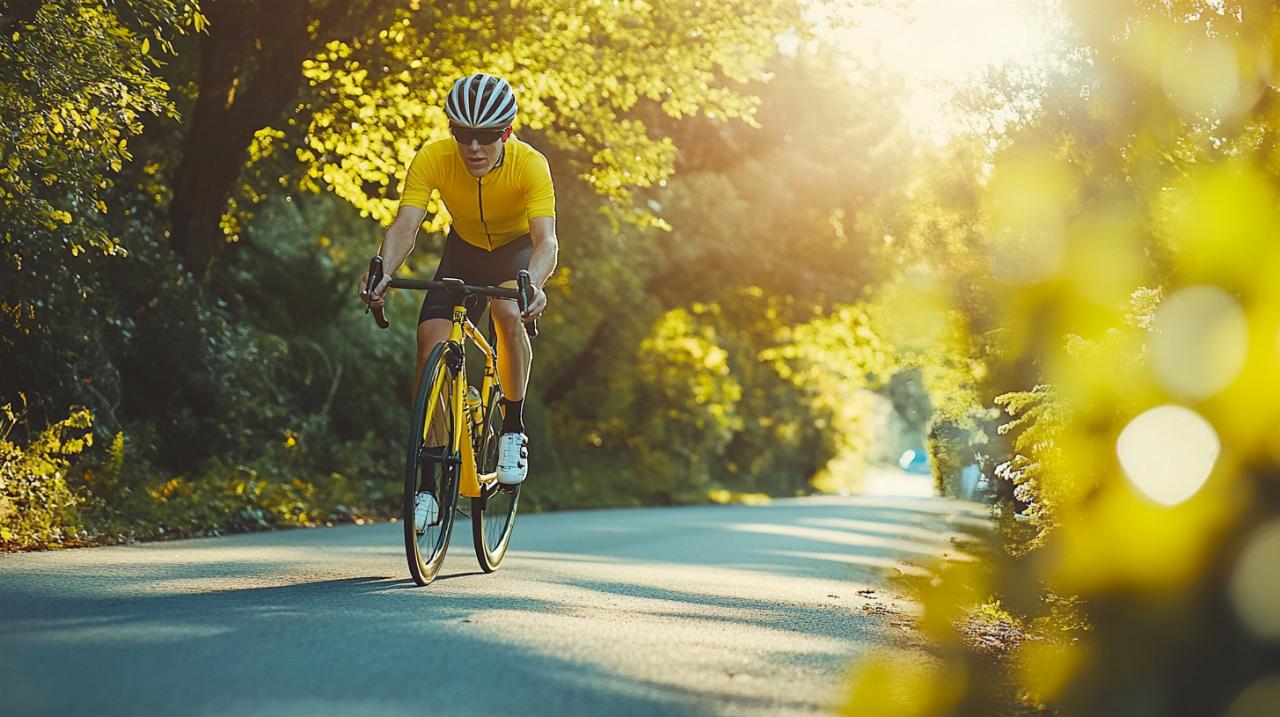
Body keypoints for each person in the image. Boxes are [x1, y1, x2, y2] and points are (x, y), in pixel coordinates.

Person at [360, 73, 558, 531]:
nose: (473, 147)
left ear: (505, 133)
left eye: (486, 137)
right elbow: (405, 225)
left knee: (507, 310)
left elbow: (546, 240)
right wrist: (383, 272)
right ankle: (429, 484)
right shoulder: (433, 157)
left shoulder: (530, 164)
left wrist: (536, 284)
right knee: (430, 341)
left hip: (516, 252)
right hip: (465, 249)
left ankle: (512, 427)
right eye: (463, 134)